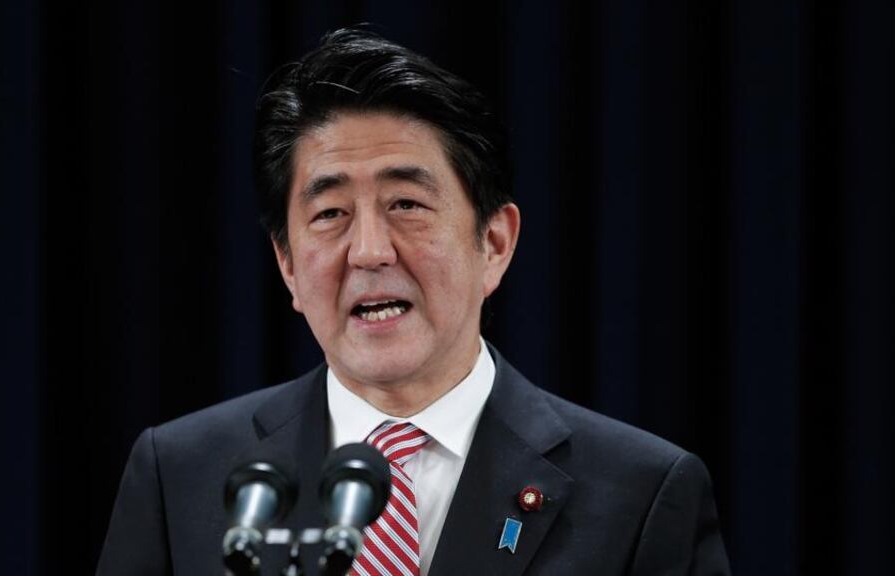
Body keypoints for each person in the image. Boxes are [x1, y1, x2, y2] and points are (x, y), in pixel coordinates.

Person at [97, 28, 731, 575]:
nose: (369, 251)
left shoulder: (642, 494)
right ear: (286, 265)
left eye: (406, 204)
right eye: (330, 213)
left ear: (494, 242)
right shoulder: (178, 476)